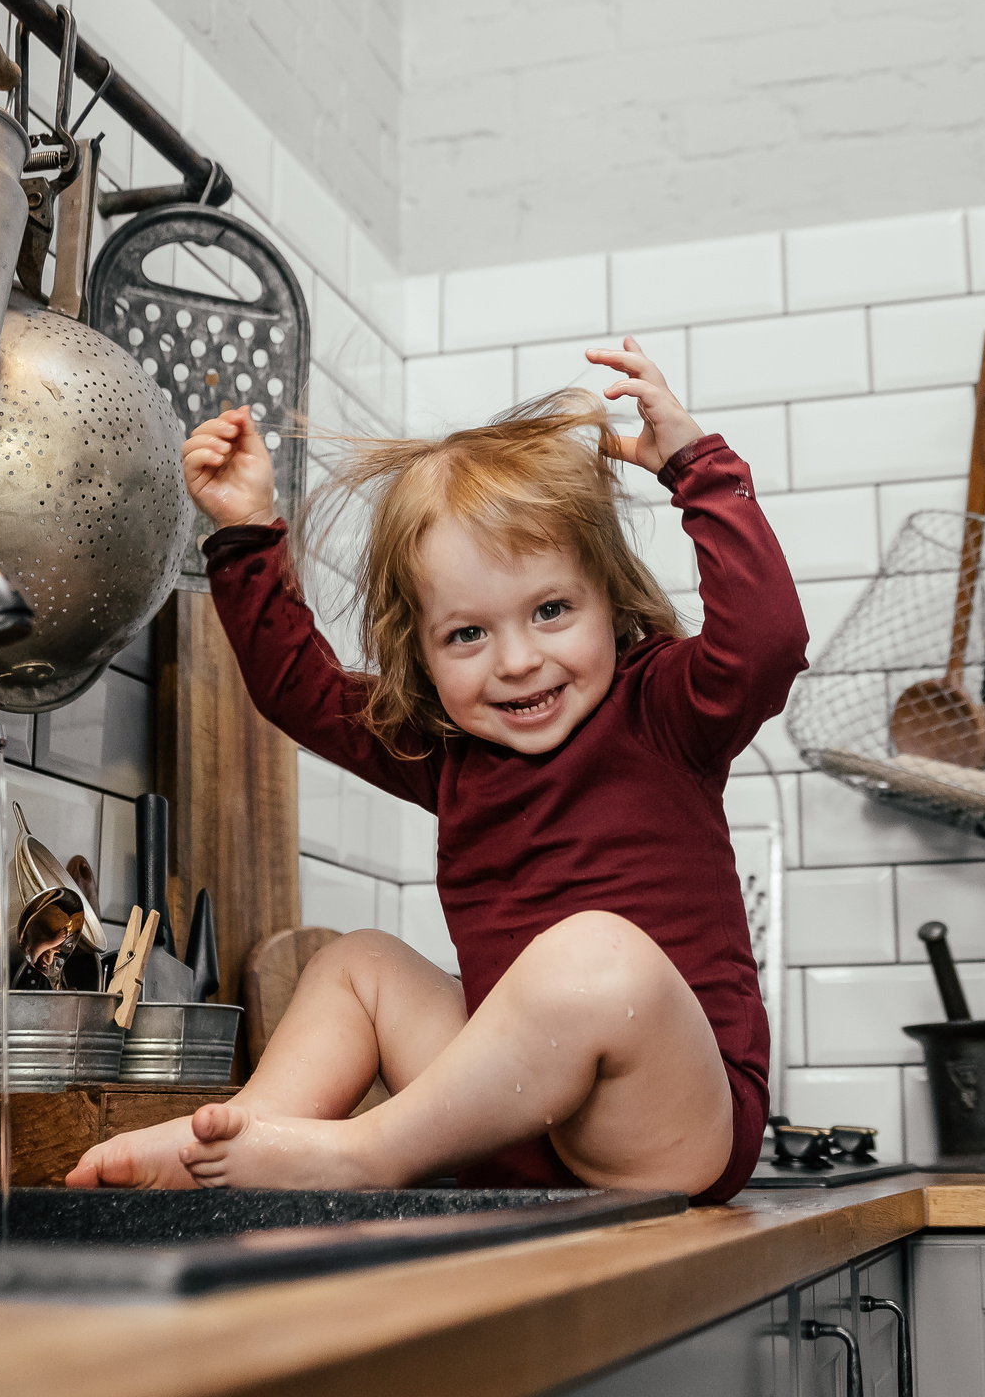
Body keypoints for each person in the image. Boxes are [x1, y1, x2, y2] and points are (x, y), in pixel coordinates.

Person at [65, 339, 806, 1203]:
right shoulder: (447, 750)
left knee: (597, 953)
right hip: (513, 1124)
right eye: (468, 634)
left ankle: (365, 1150)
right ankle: (246, 1135)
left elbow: (768, 641)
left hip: (667, 1127)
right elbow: (298, 691)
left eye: (552, 610)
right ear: (420, 653)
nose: (519, 660)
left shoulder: (663, 710)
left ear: (611, 598)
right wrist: (243, 531)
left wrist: (694, 464)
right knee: (359, 963)